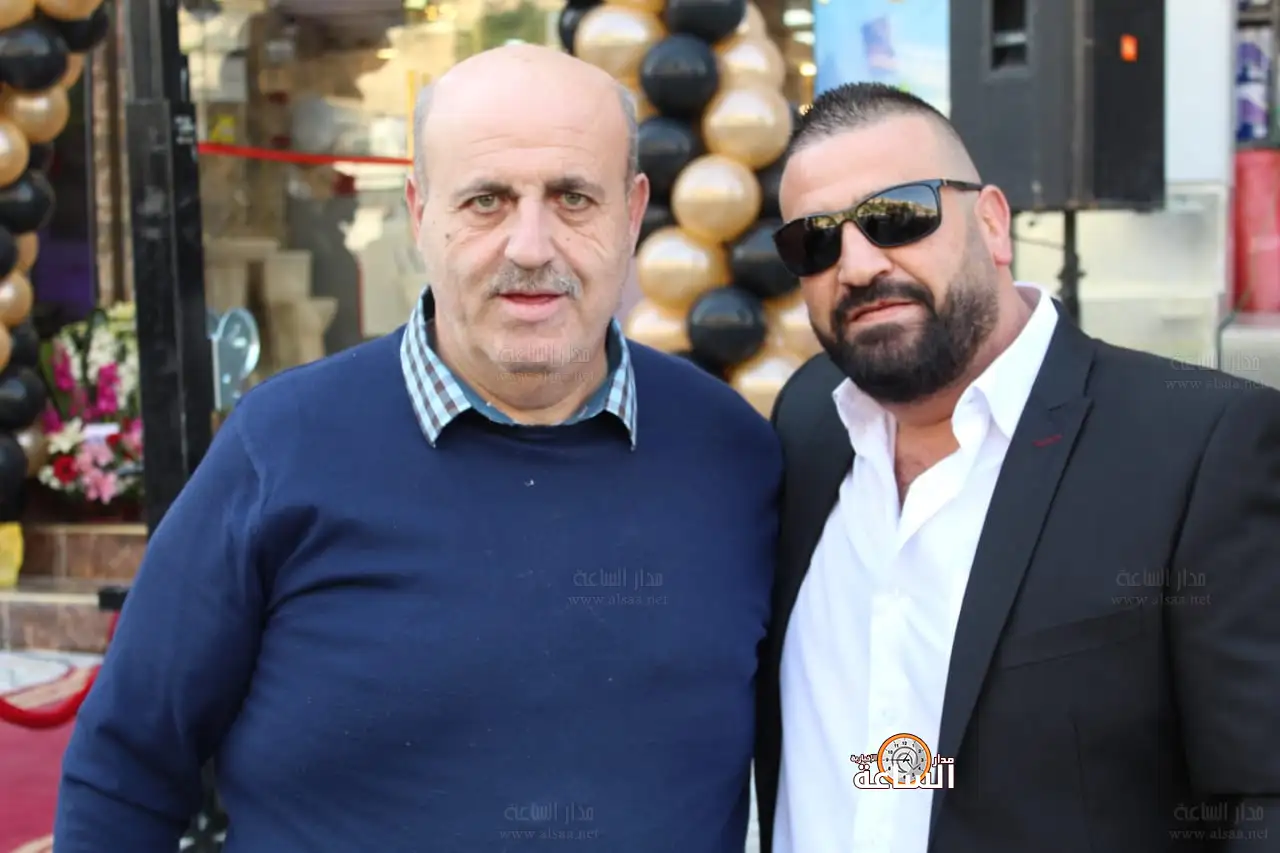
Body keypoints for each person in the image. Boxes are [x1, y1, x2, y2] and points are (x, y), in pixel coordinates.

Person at [56, 45, 781, 852]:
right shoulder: (282, 447)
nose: (530, 245)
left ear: (632, 211)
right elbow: (124, 771)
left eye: (573, 197)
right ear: (419, 211)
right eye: (487, 201)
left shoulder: (735, 458)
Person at [754, 81, 1280, 853]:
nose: (857, 265)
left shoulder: (1202, 446)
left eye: (897, 215)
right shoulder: (805, 425)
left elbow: (1261, 797)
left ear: (993, 223)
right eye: (815, 241)